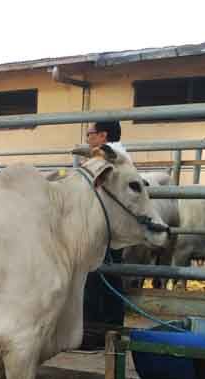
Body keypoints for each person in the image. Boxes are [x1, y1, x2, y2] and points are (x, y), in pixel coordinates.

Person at [80, 121, 125, 350]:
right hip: (105, 228)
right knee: (105, 278)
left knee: (100, 279)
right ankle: (108, 332)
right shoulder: (114, 155)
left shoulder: (113, 157)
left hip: (105, 229)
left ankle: (100, 334)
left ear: (103, 135)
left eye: (90, 134)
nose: (88, 139)